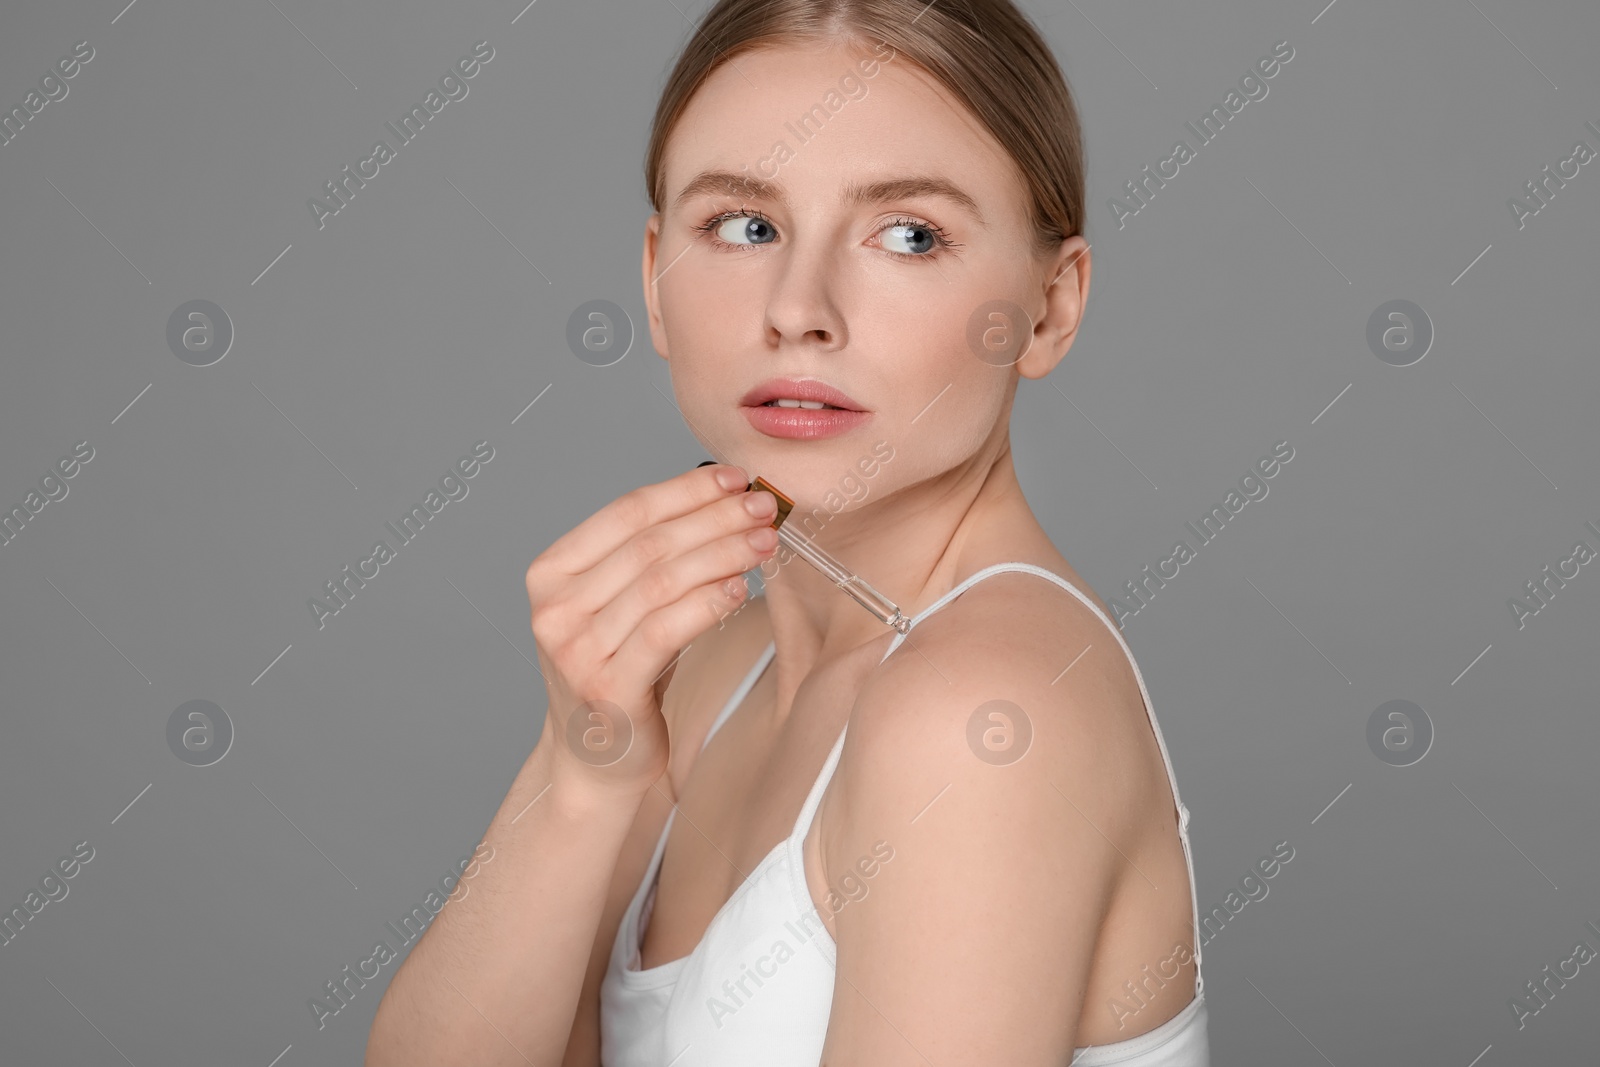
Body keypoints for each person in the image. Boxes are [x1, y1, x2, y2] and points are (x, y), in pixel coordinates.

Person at [366, 1, 1209, 1063]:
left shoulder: (979, 717)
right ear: (655, 281)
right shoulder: (709, 667)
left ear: (1048, 307)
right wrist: (580, 775)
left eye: (909, 234)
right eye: (743, 226)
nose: (798, 307)